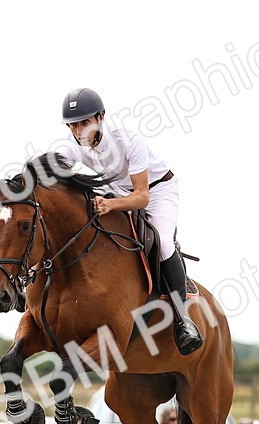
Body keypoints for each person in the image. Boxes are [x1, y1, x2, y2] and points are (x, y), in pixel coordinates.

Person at [55, 87, 203, 355]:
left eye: (85, 123)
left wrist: (110, 204)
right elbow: (51, 173)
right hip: (118, 191)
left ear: (100, 117)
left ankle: (183, 320)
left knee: (163, 241)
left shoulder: (128, 140)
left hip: (157, 190)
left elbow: (142, 196)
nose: (79, 132)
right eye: (74, 125)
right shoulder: (71, 144)